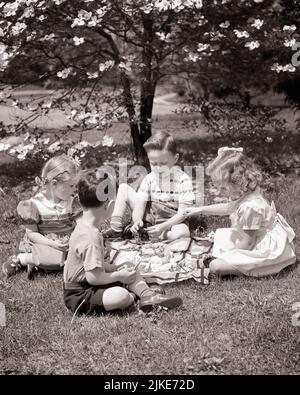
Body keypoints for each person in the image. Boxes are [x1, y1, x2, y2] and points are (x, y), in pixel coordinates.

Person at [63, 169, 183, 314]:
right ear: (108, 206)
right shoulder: (90, 237)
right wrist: (119, 276)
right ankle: (133, 296)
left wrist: (114, 269)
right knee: (121, 296)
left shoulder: (86, 227)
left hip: (91, 282)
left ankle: (146, 294)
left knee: (127, 266)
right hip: (80, 294)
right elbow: (93, 278)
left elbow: (89, 266)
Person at [185, 147, 296, 277]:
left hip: (266, 250)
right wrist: (200, 209)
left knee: (216, 266)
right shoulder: (247, 193)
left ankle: (253, 268)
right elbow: (228, 207)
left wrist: (228, 255)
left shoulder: (251, 207)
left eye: (223, 187)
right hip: (255, 238)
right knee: (222, 236)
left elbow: (248, 242)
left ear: (237, 183)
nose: (221, 191)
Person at [105, 131, 195, 241]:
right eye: (154, 164)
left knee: (183, 234)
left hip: (172, 220)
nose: (158, 168)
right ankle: (116, 229)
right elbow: (139, 206)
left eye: (163, 163)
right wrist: (137, 219)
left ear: (175, 159)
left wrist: (162, 227)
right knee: (124, 188)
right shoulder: (150, 178)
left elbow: (183, 213)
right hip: (150, 215)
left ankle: (159, 235)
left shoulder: (183, 180)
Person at [2, 154, 81, 280]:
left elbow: (81, 225)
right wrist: (52, 244)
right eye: (71, 185)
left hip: (67, 242)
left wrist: (75, 239)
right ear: (55, 184)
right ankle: (23, 259)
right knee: (53, 256)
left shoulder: (72, 202)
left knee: (90, 247)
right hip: (43, 243)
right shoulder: (34, 205)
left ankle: (44, 263)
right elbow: (32, 234)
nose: (75, 189)